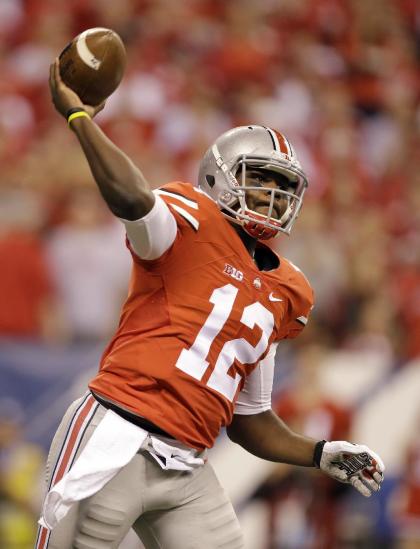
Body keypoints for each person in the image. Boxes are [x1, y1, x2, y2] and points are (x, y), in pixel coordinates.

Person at [36, 59, 385, 549]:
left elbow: (251, 420)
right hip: (115, 435)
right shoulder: (188, 219)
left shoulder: (290, 290)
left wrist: (318, 451)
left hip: (187, 465)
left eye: (286, 188)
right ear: (219, 178)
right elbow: (131, 199)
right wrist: (82, 121)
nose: (276, 196)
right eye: (264, 178)